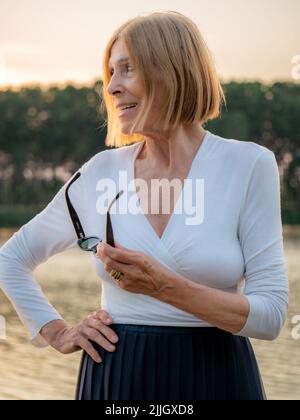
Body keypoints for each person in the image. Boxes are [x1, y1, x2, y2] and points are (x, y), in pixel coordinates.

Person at [0, 11, 289, 400]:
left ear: (172, 71)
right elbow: (11, 258)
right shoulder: (100, 173)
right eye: (110, 73)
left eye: (127, 69)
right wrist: (56, 331)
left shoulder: (249, 164)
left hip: (217, 377)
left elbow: (270, 316)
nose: (112, 87)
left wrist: (163, 286)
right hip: (115, 377)